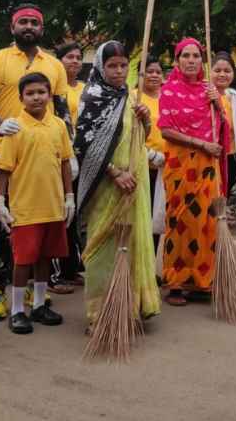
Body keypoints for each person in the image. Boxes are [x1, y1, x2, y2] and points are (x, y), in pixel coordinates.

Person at [0, 3, 70, 320]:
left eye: (34, 22)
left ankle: (33, 290)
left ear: (41, 29)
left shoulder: (54, 65)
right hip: (4, 150)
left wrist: (67, 150)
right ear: (12, 27)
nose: (28, 26)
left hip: (45, 152)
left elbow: (62, 108)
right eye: (23, 22)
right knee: (0, 224)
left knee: (40, 227)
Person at [73, 41, 161, 329]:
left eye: (124, 65)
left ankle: (130, 307)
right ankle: (100, 315)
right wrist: (114, 173)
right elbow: (83, 145)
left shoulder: (130, 97)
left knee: (132, 243)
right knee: (104, 244)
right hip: (108, 183)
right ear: (100, 66)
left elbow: (138, 137)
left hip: (136, 179)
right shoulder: (93, 97)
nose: (118, 71)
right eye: (112, 65)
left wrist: (145, 121)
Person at [0, 72, 75, 334]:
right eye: (30, 93)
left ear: (49, 95)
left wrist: (69, 197)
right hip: (25, 207)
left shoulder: (59, 126)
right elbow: (4, 168)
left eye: (41, 92)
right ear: (21, 98)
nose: (36, 97)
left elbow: (64, 163)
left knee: (45, 257)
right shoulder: (15, 128)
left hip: (52, 205)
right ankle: (17, 309)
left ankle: (39, 304)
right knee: (24, 259)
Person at [158, 38, 228, 305]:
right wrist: (201, 144)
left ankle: (201, 281)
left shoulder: (208, 90)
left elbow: (223, 127)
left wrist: (218, 105)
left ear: (202, 61)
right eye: (185, 56)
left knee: (206, 220)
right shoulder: (169, 90)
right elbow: (165, 130)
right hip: (179, 165)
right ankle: (175, 282)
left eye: (196, 56)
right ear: (177, 61)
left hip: (207, 166)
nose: (190, 60)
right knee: (179, 220)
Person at [52, 41, 87, 293]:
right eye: (69, 57)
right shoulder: (52, 89)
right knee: (61, 211)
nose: (74, 61)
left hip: (82, 157)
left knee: (78, 214)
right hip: (59, 158)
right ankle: (56, 272)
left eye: (78, 57)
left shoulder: (86, 90)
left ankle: (72, 267)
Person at [138, 58, 168, 251]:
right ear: (141, 75)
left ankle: (151, 266)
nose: (154, 75)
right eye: (149, 71)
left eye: (158, 72)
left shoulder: (168, 97)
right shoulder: (135, 97)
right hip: (142, 167)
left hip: (166, 167)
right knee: (143, 217)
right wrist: (147, 154)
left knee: (157, 219)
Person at [211, 51, 236, 193]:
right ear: (209, 72)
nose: (222, 74)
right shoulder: (205, 96)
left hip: (230, 156)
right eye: (217, 70)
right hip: (210, 155)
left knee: (224, 196)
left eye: (227, 71)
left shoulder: (235, 97)